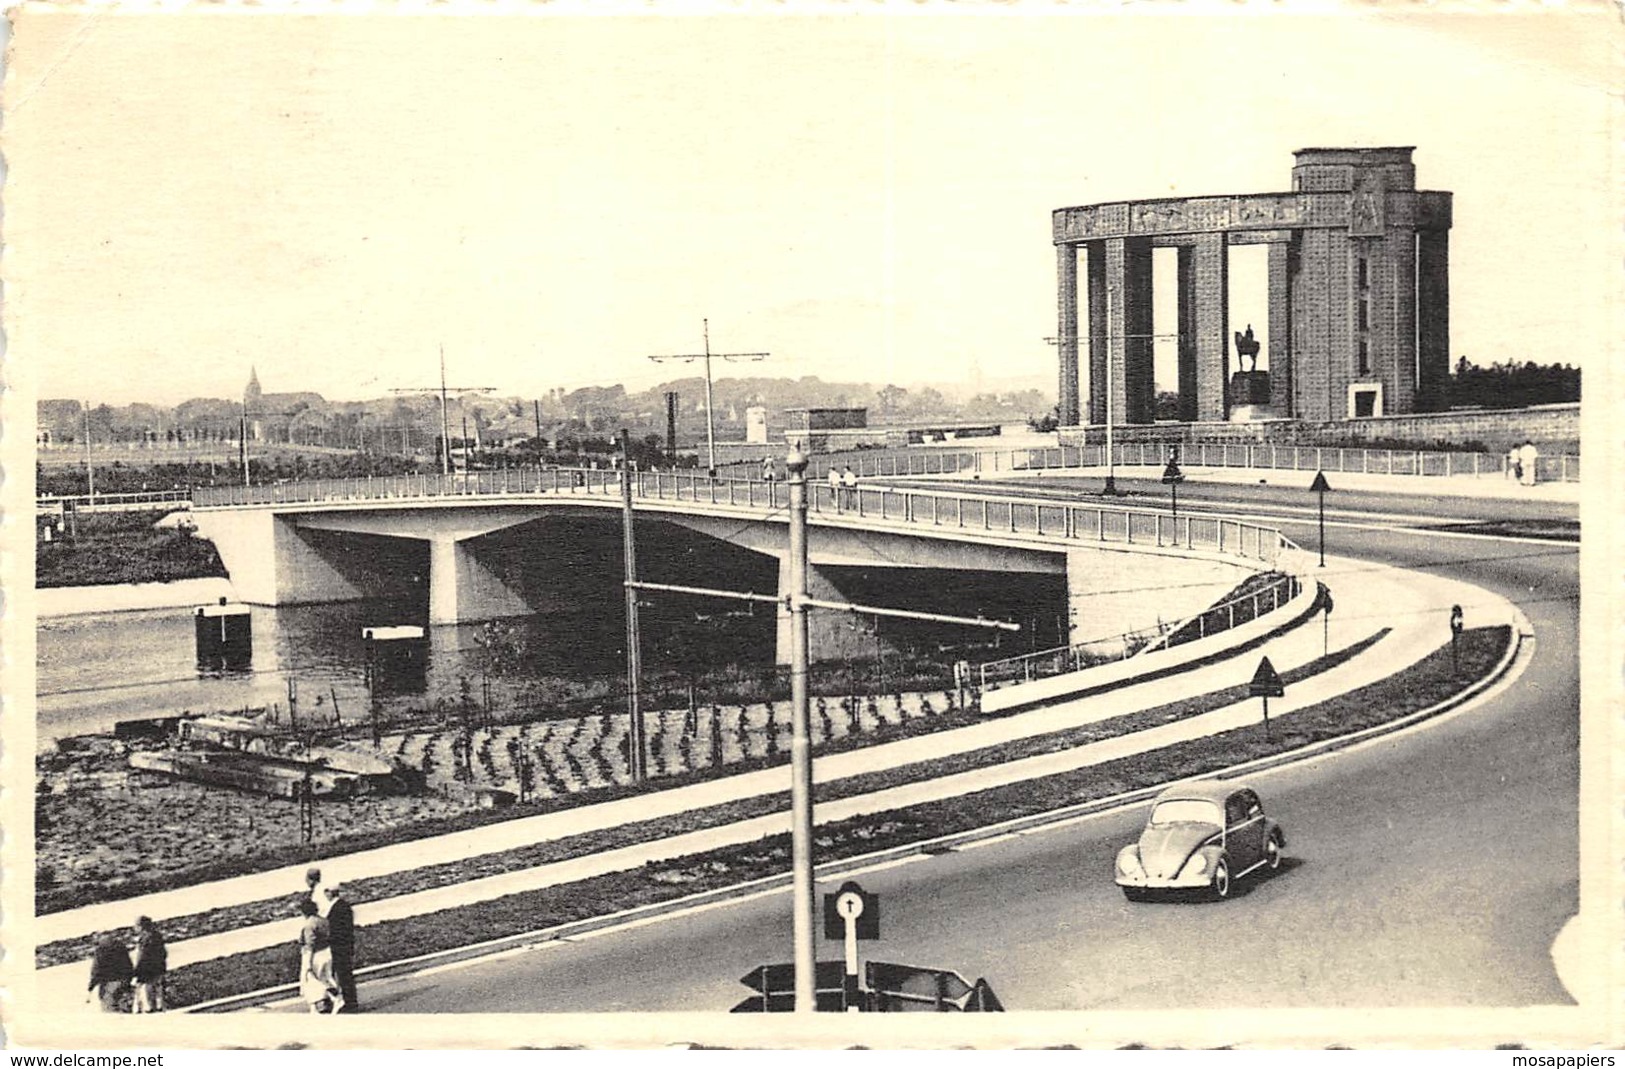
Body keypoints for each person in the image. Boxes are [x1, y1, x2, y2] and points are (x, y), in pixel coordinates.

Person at [297, 897, 342, 1014]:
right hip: (327, 951)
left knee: (313, 980)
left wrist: (308, 963)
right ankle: (319, 1005)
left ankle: (334, 998)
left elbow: (310, 944)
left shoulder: (309, 925)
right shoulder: (323, 920)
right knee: (326, 977)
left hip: (315, 954)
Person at [324, 883, 359, 1013]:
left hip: (340, 946)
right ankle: (349, 1001)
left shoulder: (338, 907)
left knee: (344, 975)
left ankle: (350, 1003)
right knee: (344, 975)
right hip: (344, 945)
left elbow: (339, 929)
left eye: (326, 892)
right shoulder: (343, 906)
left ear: (330, 892)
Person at [86, 932, 134, 1012]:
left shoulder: (100, 950)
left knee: (110, 1010)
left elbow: (97, 969)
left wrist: (92, 985)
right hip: (124, 981)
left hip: (108, 984)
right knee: (124, 1008)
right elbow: (129, 964)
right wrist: (129, 978)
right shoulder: (121, 947)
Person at [131, 916, 167, 1013]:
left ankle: (149, 1010)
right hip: (158, 968)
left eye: (136, 926)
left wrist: (136, 971)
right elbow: (164, 953)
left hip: (146, 971)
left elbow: (142, 956)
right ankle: (159, 1009)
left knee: (147, 993)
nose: (134, 928)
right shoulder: (157, 936)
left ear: (141, 926)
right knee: (158, 992)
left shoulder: (144, 938)